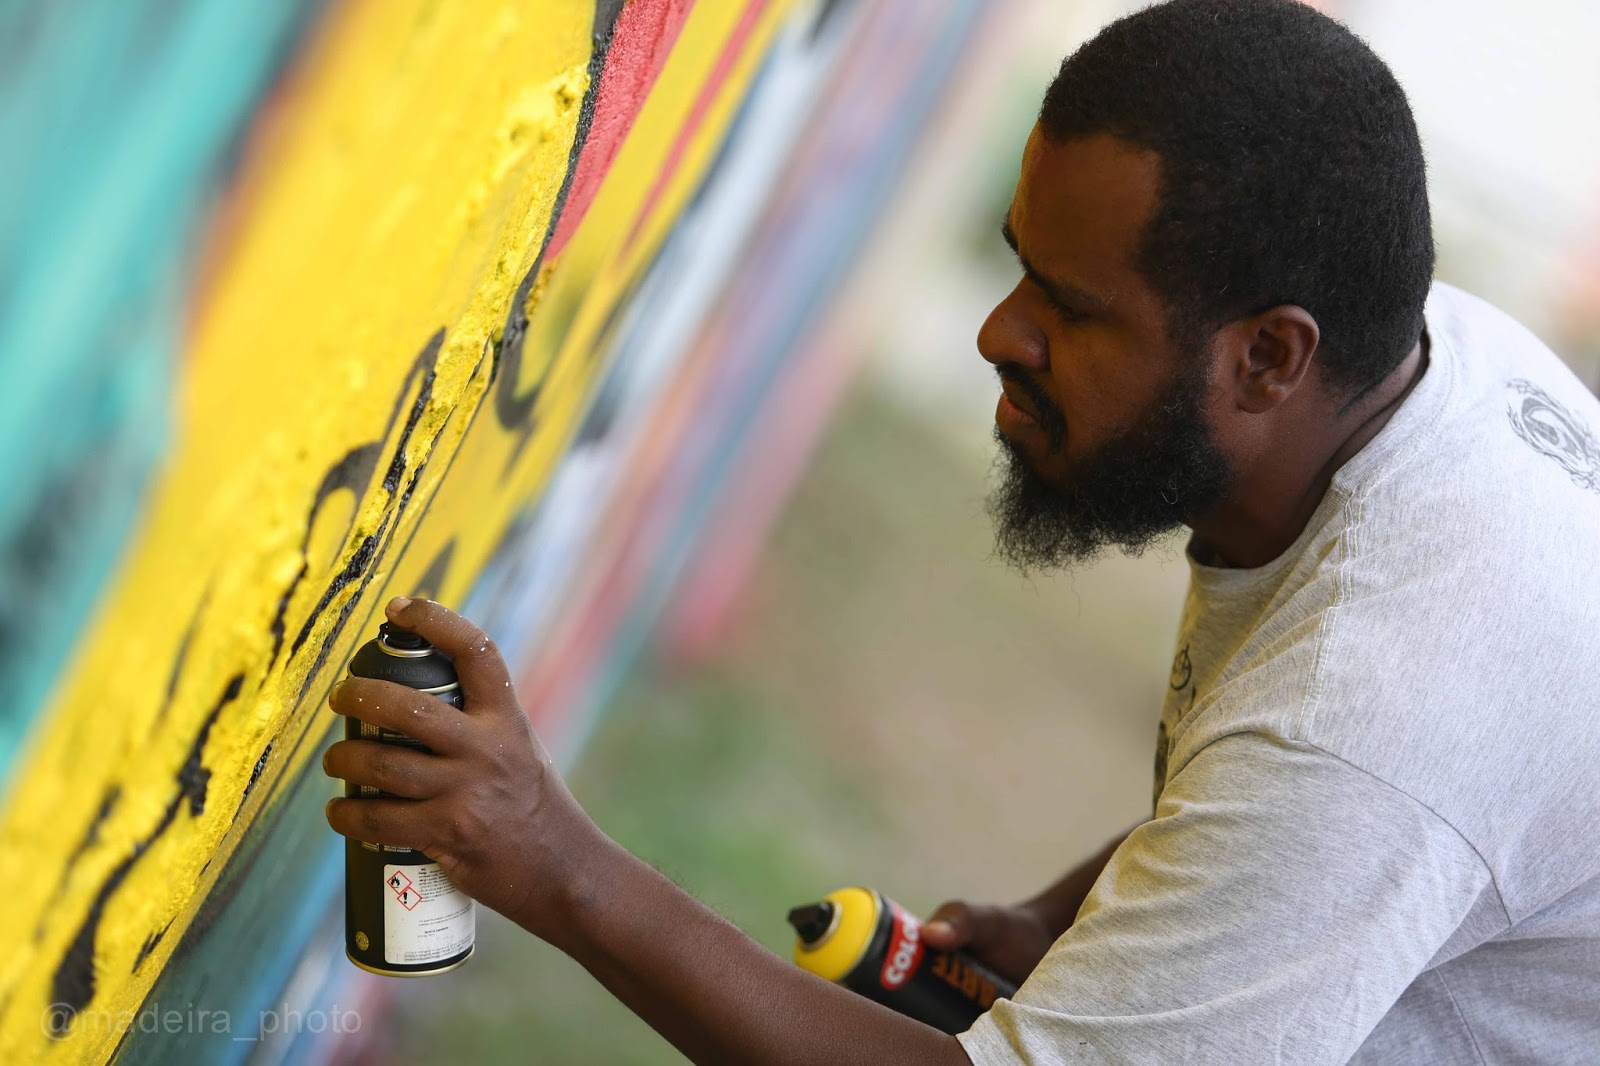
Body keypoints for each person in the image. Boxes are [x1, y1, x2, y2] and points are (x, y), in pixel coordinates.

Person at [323, 0, 1600, 1061]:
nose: (1000, 332)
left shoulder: (1375, 715)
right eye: (1016, 265)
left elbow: (1337, 783)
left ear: (1270, 357)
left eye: (1071, 308)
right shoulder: (1426, 368)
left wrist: (557, 864)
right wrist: (1073, 918)